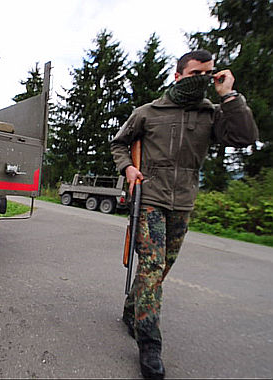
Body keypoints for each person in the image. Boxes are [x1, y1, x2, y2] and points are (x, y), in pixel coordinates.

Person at [110, 49, 258, 379]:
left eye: (210, 74)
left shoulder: (212, 114)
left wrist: (230, 96)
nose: (203, 80)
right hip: (150, 199)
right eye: (196, 74)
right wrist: (129, 168)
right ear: (177, 76)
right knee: (152, 265)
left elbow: (246, 137)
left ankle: (132, 309)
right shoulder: (148, 112)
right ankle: (149, 344)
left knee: (162, 268)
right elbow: (119, 143)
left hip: (184, 203)